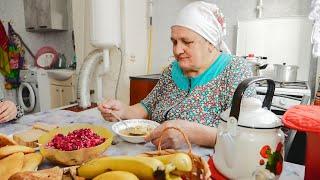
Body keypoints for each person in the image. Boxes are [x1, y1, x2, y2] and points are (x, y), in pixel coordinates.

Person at [98, 1, 254, 149]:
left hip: (205, 165)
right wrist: (123, 111)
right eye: (174, 42)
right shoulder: (172, 70)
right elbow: (147, 107)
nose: (177, 50)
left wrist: (191, 133)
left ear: (211, 43)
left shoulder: (235, 70)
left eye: (187, 42)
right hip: (156, 157)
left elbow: (246, 136)